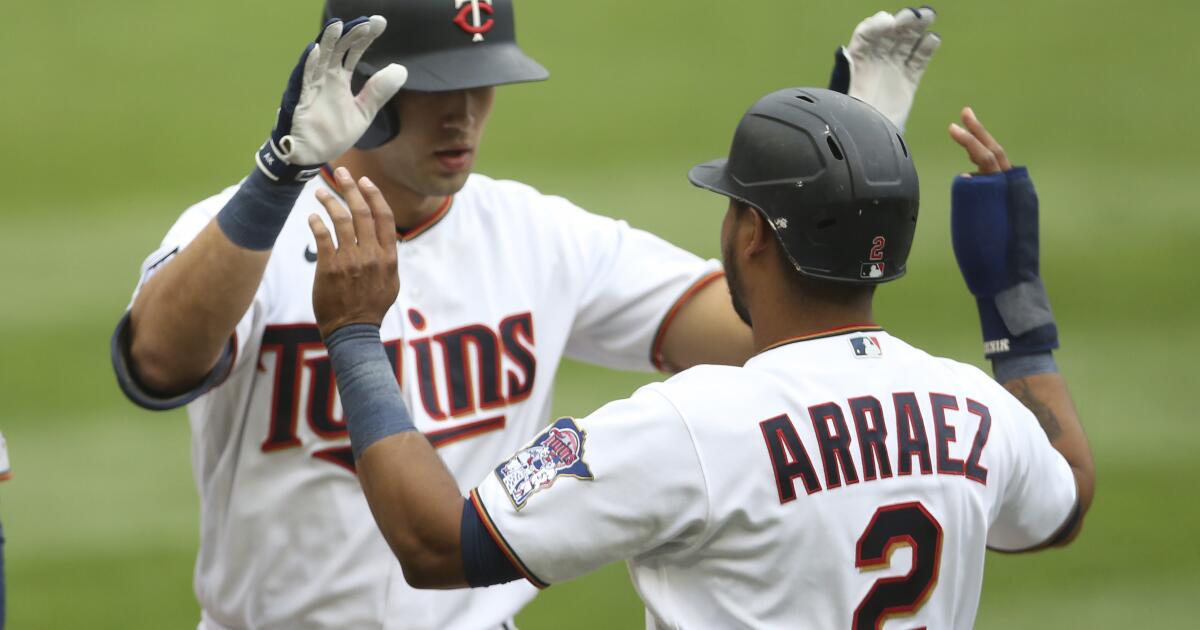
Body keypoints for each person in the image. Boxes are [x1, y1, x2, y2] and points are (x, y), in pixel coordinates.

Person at [109, 0, 939, 626]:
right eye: (435, 87)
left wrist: (840, 180)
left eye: (483, 84)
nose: (464, 115)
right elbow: (157, 363)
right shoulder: (247, 227)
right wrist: (279, 175)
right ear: (357, 79)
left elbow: (760, 336)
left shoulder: (537, 234)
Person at [307, 88, 1094, 629]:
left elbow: (437, 544)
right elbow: (1066, 500)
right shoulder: (972, 409)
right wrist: (1013, 300)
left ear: (753, 233)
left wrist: (353, 334)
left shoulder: (691, 425)